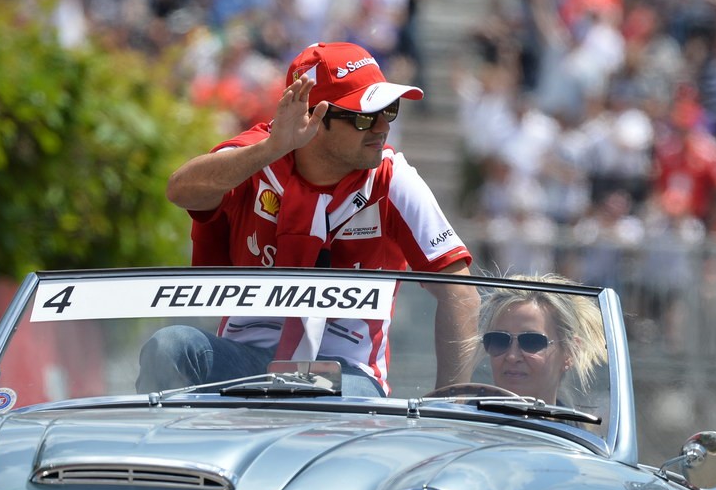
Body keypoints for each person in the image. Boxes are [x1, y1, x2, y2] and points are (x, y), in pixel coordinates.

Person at [137, 40, 478, 397]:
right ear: (311, 118)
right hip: (245, 358)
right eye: (364, 117)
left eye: (389, 111)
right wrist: (271, 149)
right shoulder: (258, 154)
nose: (382, 128)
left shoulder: (393, 178)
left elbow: (461, 293)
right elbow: (179, 190)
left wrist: (449, 404)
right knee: (171, 346)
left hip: (346, 372)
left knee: (346, 398)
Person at [472, 274, 607, 411]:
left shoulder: (575, 431)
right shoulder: (462, 423)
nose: (512, 357)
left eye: (532, 342)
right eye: (498, 340)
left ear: (570, 352)